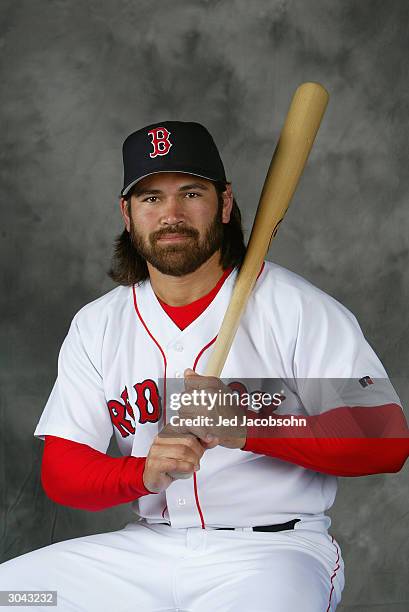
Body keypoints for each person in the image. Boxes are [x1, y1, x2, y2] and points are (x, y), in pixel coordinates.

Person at [0, 121, 407, 612]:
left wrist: (246, 427)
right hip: (147, 552)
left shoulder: (296, 308)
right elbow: (63, 473)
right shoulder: (98, 325)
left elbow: (386, 439)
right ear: (127, 214)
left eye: (190, 193)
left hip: (272, 554)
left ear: (225, 203)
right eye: (151, 198)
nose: (171, 214)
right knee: (17, 596)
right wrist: (141, 473)